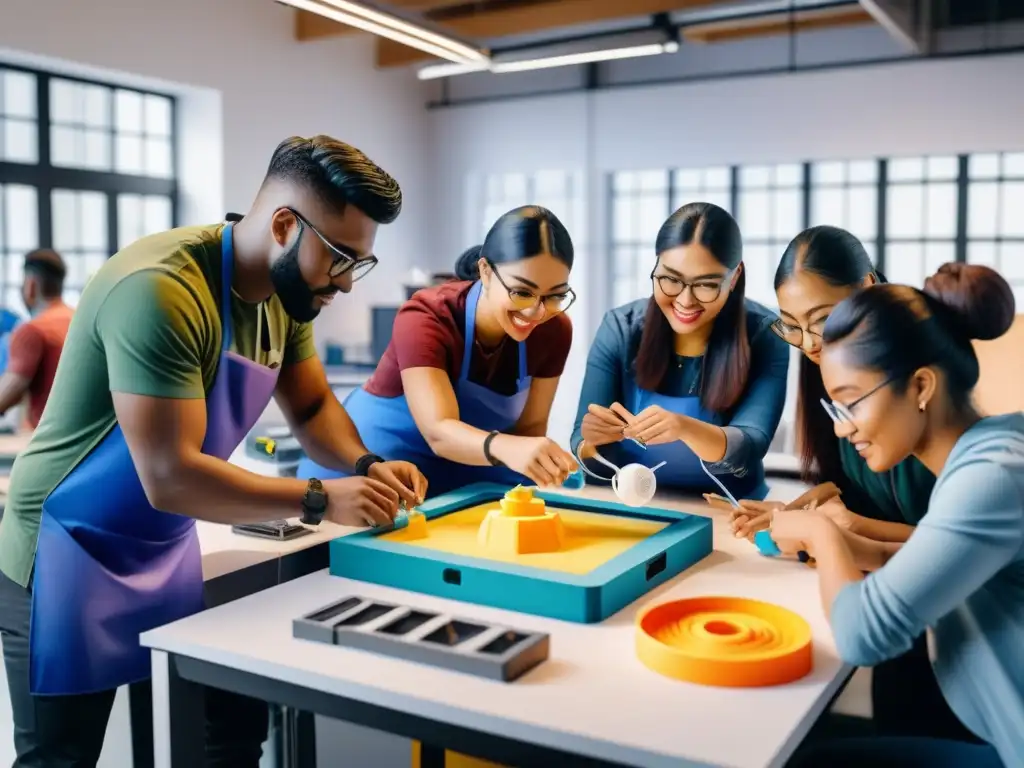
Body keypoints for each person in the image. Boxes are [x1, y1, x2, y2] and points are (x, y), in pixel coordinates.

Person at [0, 135, 428, 767]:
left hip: (163, 545)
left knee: (212, 738)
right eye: (339, 258)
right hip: (62, 553)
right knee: (62, 759)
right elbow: (170, 476)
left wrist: (365, 465)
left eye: (358, 263)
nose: (344, 282)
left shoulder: (286, 299)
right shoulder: (162, 290)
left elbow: (310, 409)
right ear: (285, 225)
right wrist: (319, 497)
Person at [716, 227, 979, 743]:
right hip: (909, 623)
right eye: (793, 327)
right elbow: (866, 506)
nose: (812, 344)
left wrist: (831, 531)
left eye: (822, 320)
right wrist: (815, 509)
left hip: (954, 627)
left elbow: (947, 545)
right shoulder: (839, 374)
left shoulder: (974, 452)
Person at [769, 263, 1021, 767]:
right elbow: (938, 560)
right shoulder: (989, 451)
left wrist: (821, 534)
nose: (842, 431)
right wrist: (859, 544)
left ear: (921, 387)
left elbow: (863, 635)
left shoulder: (993, 475)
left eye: (851, 404)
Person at [297, 205, 578, 497]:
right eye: (522, 292)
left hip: (469, 467)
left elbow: (530, 427)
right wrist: (507, 449)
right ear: (486, 272)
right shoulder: (427, 315)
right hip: (375, 462)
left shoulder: (554, 330)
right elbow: (439, 431)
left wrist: (540, 464)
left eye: (555, 295)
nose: (537, 311)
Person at [570, 202, 789, 500]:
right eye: (671, 279)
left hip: (726, 510)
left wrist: (684, 428)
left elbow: (750, 445)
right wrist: (592, 441)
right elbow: (580, 444)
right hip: (630, 503)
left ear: (735, 276)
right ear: (656, 264)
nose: (685, 300)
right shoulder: (620, 327)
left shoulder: (765, 334)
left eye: (706, 285)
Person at [0, 249, 74, 428]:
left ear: (31, 285)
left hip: (51, 441)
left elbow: (7, 395)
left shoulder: (32, 330)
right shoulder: (80, 319)